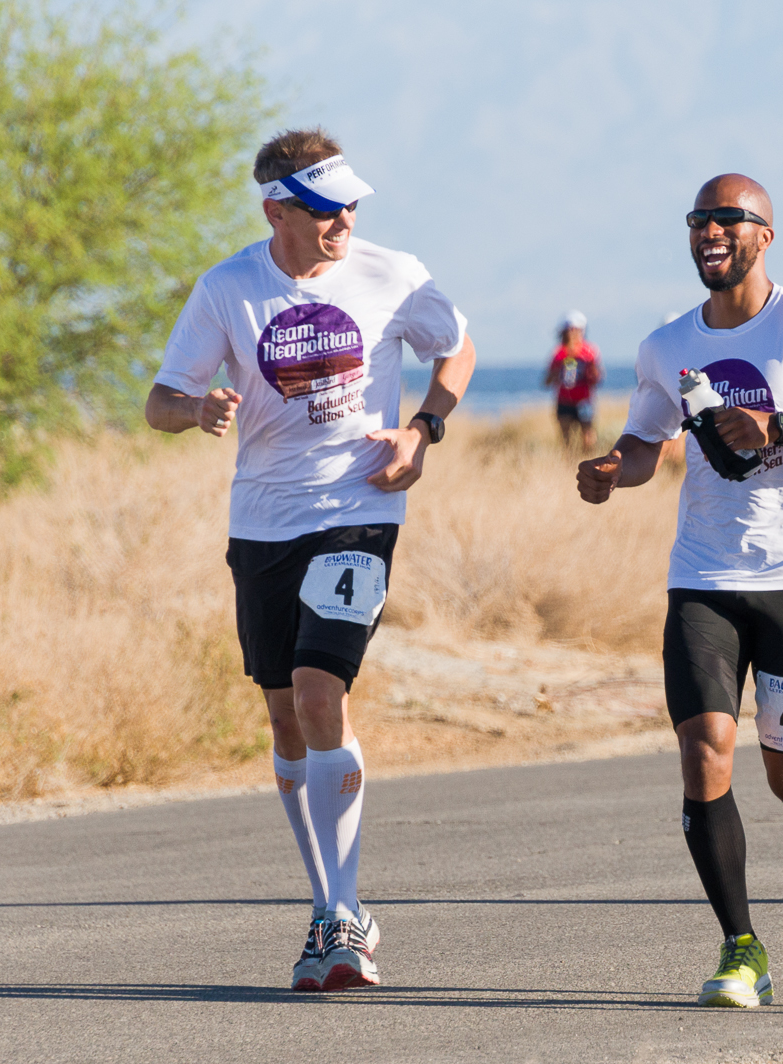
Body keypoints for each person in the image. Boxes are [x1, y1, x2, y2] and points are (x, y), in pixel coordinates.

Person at [145, 128, 475, 989]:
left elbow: (457, 346)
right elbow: (158, 399)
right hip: (262, 521)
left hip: (359, 510)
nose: (344, 222)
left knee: (324, 690)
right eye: (327, 210)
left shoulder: (392, 272)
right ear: (277, 211)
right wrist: (197, 410)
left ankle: (340, 914)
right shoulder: (227, 287)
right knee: (286, 716)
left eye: (351, 206)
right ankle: (336, 906)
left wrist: (421, 430)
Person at [576, 173, 783, 1008]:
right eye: (698, 221)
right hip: (702, 578)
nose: (709, 232)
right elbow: (646, 437)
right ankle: (741, 946)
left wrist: (781, 425)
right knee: (704, 751)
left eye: (728, 220)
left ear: (764, 233)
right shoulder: (665, 346)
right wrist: (618, 468)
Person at [544, 311, 603, 451]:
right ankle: (568, 464)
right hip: (564, 400)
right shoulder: (558, 352)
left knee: (588, 436)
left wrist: (590, 366)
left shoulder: (590, 351)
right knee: (566, 440)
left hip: (584, 400)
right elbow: (547, 380)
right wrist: (559, 367)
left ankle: (587, 463)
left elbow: (597, 378)